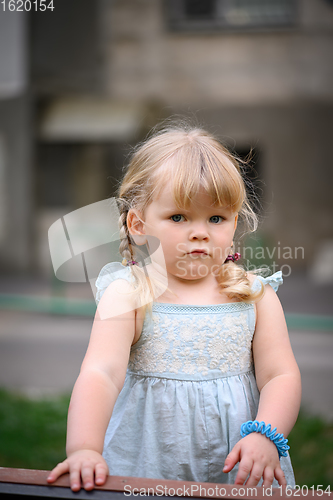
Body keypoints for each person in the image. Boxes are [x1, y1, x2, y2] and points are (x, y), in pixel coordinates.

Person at [47, 125, 301, 492]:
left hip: (241, 469)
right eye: (179, 217)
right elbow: (101, 373)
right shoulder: (130, 294)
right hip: (147, 465)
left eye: (216, 218)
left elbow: (280, 375)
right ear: (138, 224)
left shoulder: (254, 296)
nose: (199, 232)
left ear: (234, 223)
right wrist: (84, 448)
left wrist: (267, 435)